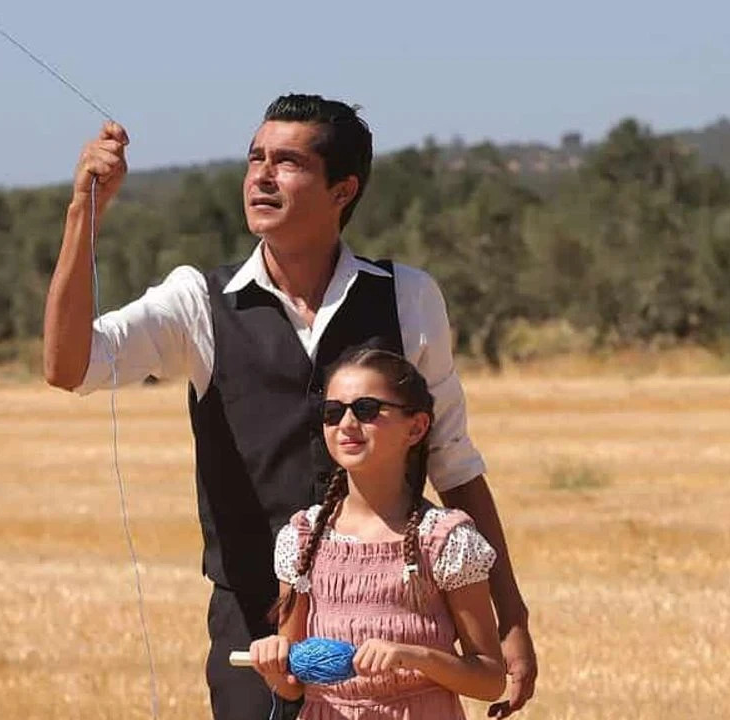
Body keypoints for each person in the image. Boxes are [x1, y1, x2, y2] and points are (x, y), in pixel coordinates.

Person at [42, 94, 536, 719]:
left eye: (288, 162)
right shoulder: (198, 301)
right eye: (256, 158)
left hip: (398, 628)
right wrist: (82, 216)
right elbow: (67, 366)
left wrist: (511, 619)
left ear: (342, 190)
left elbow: (454, 465)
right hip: (257, 629)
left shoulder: (407, 297)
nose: (262, 176)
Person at [248, 347, 505, 718]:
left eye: (366, 409)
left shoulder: (445, 540)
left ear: (416, 428)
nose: (346, 424)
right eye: (332, 412)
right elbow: (292, 684)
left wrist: (415, 657)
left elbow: (490, 680)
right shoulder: (303, 538)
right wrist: (272, 666)